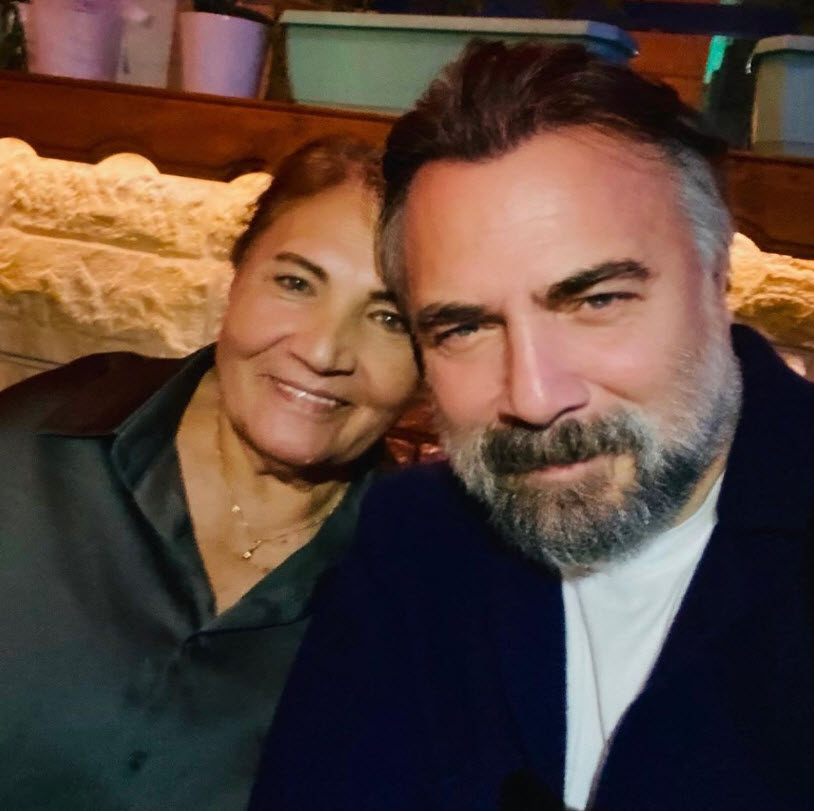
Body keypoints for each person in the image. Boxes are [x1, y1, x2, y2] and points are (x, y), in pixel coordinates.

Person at [250, 43, 814, 811]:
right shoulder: (412, 542)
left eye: (597, 301)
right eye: (465, 328)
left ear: (717, 279)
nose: (536, 396)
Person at [0, 136, 419, 810]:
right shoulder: (32, 449)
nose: (322, 351)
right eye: (295, 283)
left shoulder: (422, 592)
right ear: (236, 273)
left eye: (389, 317)